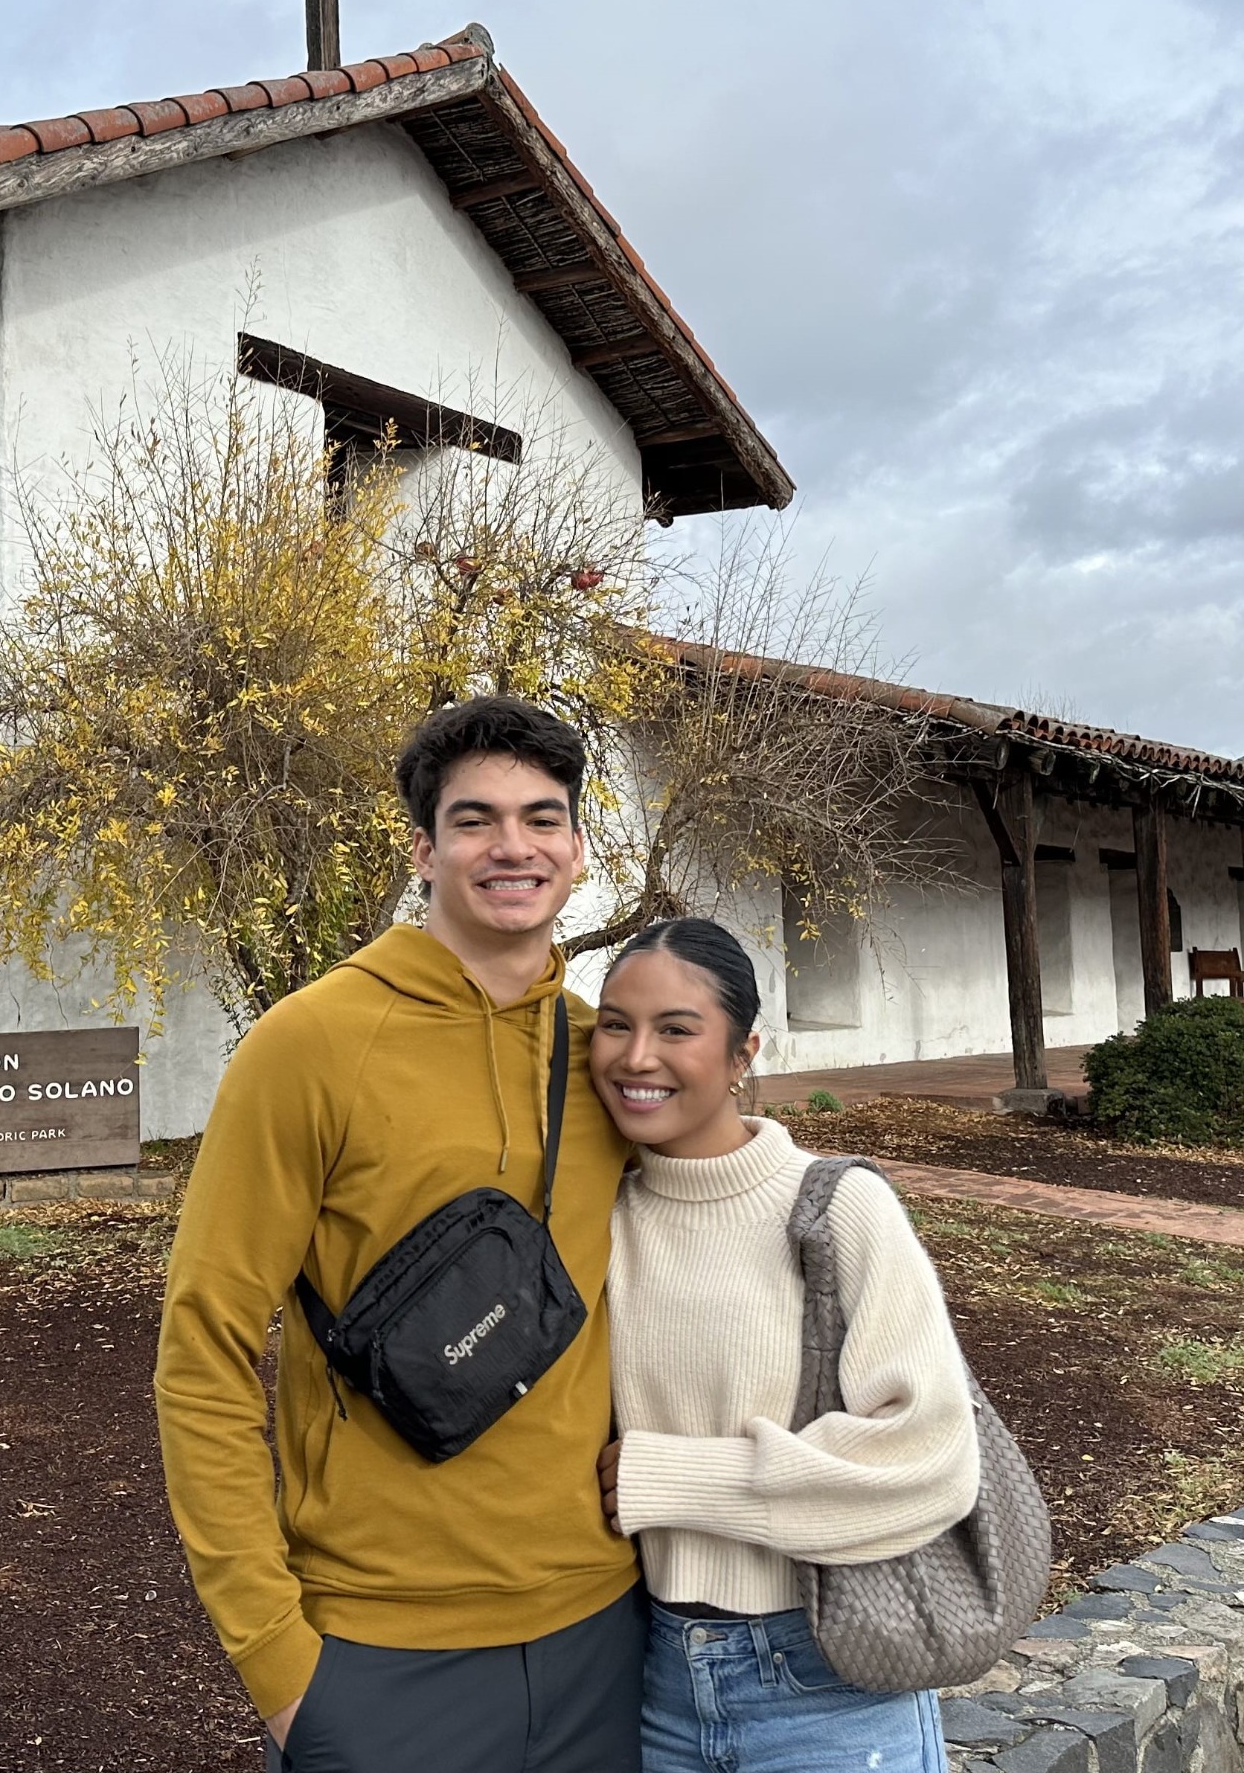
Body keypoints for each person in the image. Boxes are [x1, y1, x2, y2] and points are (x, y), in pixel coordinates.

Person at [156, 696, 643, 1773]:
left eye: (543, 817)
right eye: (475, 820)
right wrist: (280, 1665)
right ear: (422, 848)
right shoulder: (308, 1046)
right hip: (379, 1650)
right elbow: (205, 1349)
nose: (513, 845)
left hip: (610, 1629)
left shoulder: (608, 1057)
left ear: (577, 844)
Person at [589, 917, 981, 1773]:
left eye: (677, 1029)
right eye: (615, 1024)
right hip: (647, 1681)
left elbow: (930, 1460)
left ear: (743, 1054)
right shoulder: (599, 1224)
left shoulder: (839, 1212)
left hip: (826, 1684)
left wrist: (673, 1478)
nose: (635, 1056)